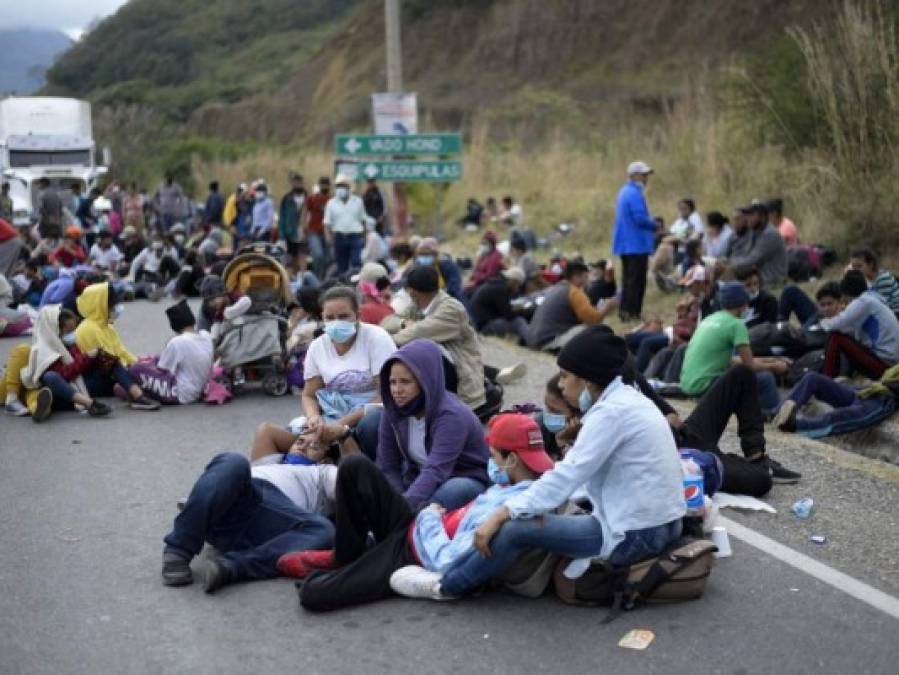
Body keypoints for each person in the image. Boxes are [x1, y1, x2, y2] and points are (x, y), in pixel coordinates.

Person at [388, 329, 685, 601]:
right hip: (666, 523)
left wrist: (501, 514)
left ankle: (448, 586)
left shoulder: (611, 413)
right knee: (536, 508)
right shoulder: (628, 399)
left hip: (636, 535)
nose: (562, 384)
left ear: (589, 381)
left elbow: (566, 477)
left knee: (515, 529)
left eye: (566, 376)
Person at [292, 413, 552, 611]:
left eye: (493, 456)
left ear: (513, 460)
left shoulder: (506, 510)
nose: (490, 463)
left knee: (313, 594)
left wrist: (429, 517)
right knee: (354, 466)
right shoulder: (514, 484)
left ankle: (358, 565)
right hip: (414, 524)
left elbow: (447, 559)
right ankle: (348, 558)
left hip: (414, 553)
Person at [160, 452, 336, 592]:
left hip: (274, 523)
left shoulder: (324, 473)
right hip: (233, 503)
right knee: (233, 461)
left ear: (325, 459)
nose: (303, 442)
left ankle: (231, 566)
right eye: (300, 437)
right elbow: (266, 431)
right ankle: (179, 548)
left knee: (325, 531)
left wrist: (342, 432)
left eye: (313, 443)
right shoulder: (273, 459)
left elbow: (355, 480)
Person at [375, 339, 490, 509]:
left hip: (460, 476)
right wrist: (396, 501)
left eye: (405, 382)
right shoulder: (394, 409)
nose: (397, 390)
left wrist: (401, 509)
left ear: (425, 382)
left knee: (446, 495)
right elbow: (388, 465)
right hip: (418, 472)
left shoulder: (452, 416)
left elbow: (436, 471)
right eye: (393, 382)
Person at [299, 286, 397, 459]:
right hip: (334, 414)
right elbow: (309, 395)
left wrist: (342, 425)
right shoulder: (317, 346)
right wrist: (314, 417)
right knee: (296, 434)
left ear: (358, 316)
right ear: (322, 318)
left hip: (371, 413)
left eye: (343, 316)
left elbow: (387, 394)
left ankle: (376, 473)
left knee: (371, 424)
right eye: (329, 318)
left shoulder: (377, 339)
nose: (336, 322)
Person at [390, 266, 486, 411]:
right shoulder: (418, 305)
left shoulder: (451, 309)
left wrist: (385, 339)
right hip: (444, 371)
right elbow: (389, 321)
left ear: (412, 291)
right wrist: (403, 323)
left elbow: (413, 334)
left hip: (460, 378)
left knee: (420, 350)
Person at [679, 282, 783, 415]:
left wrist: (769, 361)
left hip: (688, 386)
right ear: (742, 304)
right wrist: (774, 367)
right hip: (705, 387)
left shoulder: (709, 319)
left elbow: (730, 360)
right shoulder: (736, 324)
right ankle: (772, 416)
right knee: (766, 378)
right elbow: (749, 366)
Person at [15, 306, 112, 422]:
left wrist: (94, 357)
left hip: (76, 385)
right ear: (55, 329)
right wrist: (87, 358)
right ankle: (90, 404)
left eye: (73, 329)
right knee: (50, 377)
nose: (72, 334)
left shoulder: (69, 344)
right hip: (61, 389)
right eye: (69, 331)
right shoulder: (42, 350)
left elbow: (78, 368)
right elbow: (64, 374)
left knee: (108, 368)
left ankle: (132, 390)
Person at [74, 282, 160, 410]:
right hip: (95, 379)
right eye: (112, 305)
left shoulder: (106, 326)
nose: (115, 308)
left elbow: (122, 351)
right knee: (115, 363)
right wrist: (133, 369)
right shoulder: (87, 329)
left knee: (147, 364)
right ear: (101, 305)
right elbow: (107, 362)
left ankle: (135, 391)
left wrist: (139, 363)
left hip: (110, 373)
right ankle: (138, 396)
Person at [128, 300, 214, 405]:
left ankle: (137, 392)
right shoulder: (206, 335)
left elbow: (162, 368)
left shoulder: (177, 342)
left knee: (135, 369)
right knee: (155, 359)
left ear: (175, 326)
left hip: (181, 393)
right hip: (200, 389)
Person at [773, 367, 899, 437]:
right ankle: (778, 414)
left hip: (884, 400)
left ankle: (795, 426)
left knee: (837, 417)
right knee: (813, 378)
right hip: (867, 391)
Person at [820, 270, 899, 379]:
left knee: (835, 336)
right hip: (888, 360)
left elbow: (836, 324)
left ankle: (826, 379)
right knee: (843, 338)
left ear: (846, 293)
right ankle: (836, 377)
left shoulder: (863, 302)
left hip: (885, 363)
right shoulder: (872, 297)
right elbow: (850, 330)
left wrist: (821, 323)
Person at [626, 264, 706, 372]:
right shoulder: (694, 301)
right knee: (630, 338)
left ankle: (636, 375)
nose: (689, 289)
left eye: (691, 285)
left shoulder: (703, 303)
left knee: (647, 343)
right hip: (671, 332)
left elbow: (694, 331)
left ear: (700, 283)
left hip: (676, 338)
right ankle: (629, 367)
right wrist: (681, 313)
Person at [526, 260, 617, 349]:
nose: (587, 281)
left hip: (534, 339)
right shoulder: (574, 292)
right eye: (585, 277)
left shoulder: (556, 288)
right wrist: (606, 309)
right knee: (597, 329)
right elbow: (592, 320)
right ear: (576, 277)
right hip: (549, 341)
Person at [612, 161, 656, 321]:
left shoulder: (624, 192)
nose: (645, 179)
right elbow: (639, 218)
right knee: (637, 281)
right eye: (643, 175)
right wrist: (654, 225)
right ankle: (633, 312)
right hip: (636, 244)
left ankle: (625, 311)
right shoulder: (634, 193)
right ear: (633, 176)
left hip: (625, 244)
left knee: (628, 280)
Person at [727, 201, 787, 288]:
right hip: (757, 275)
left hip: (771, 278)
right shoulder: (755, 231)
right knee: (724, 273)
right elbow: (745, 253)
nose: (747, 218)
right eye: (747, 214)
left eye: (751, 214)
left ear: (762, 216)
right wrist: (727, 262)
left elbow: (752, 259)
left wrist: (729, 265)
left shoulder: (769, 234)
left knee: (729, 275)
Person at [324, 175, 372, 275]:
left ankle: (356, 284)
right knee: (342, 265)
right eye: (338, 186)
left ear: (348, 187)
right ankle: (344, 285)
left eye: (343, 186)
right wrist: (328, 238)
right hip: (339, 237)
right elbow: (327, 223)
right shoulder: (331, 203)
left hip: (354, 236)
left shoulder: (358, 201)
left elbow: (363, 220)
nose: (341, 188)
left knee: (356, 262)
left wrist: (365, 236)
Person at [469, 267, 529, 343]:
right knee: (518, 321)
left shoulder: (496, 284)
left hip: (477, 322)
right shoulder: (500, 289)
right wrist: (521, 310)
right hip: (482, 327)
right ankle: (531, 339)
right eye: (518, 286)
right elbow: (508, 315)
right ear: (513, 281)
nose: (517, 289)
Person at [410, 237, 466, 305]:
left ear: (435, 255)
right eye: (421, 255)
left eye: (427, 255)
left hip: (449, 301)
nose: (424, 258)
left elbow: (454, 288)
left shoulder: (447, 266)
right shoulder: (416, 268)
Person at [848, 247, 899, 316]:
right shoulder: (865, 279)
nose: (856, 270)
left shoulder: (883, 279)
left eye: (859, 266)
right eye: (853, 267)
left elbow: (881, 307)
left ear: (870, 264)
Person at [279, 172, 307, 274]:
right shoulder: (286, 199)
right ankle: (294, 277)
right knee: (292, 257)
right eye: (294, 182)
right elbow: (282, 217)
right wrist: (282, 234)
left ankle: (303, 276)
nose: (296, 184)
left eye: (298, 182)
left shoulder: (308, 197)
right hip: (290, 232)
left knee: (303, 254)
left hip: (304, 232)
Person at [305, 177, 331, 279]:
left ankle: (322, 279)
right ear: (319, 186)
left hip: (327, 232)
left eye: (326, 184)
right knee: (318, 255)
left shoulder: (331, 200)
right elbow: (305, 211)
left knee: (326, 259)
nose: (324, 187)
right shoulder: (312, 198)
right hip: (313, 231)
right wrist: (303, 226)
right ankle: (315, 277)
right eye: (322, 184)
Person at [465, 231, 504, 295]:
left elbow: (489, 275)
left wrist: (475, 282)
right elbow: (476, 269)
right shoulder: (484, 255)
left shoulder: (496, 256)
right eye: (482, 243)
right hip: (478, 283)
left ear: (491, 244)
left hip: (488, 285)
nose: (482, 245)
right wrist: (471, 279)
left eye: (485, 243)